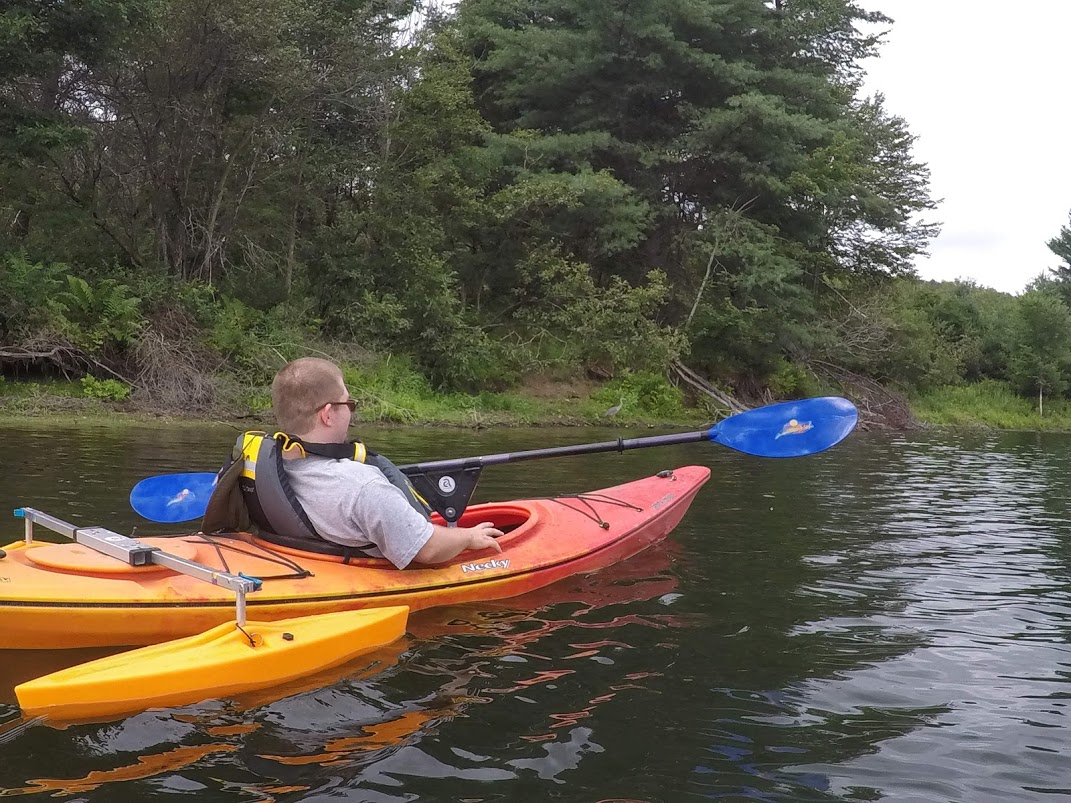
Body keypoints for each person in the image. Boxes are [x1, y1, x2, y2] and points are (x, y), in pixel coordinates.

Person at [267, 357, 502, 568]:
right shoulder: (362, 486)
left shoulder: (270, 468)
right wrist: (469, 537)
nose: (351, 413)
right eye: (349, 404)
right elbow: (428, 549)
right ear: (327, 415)